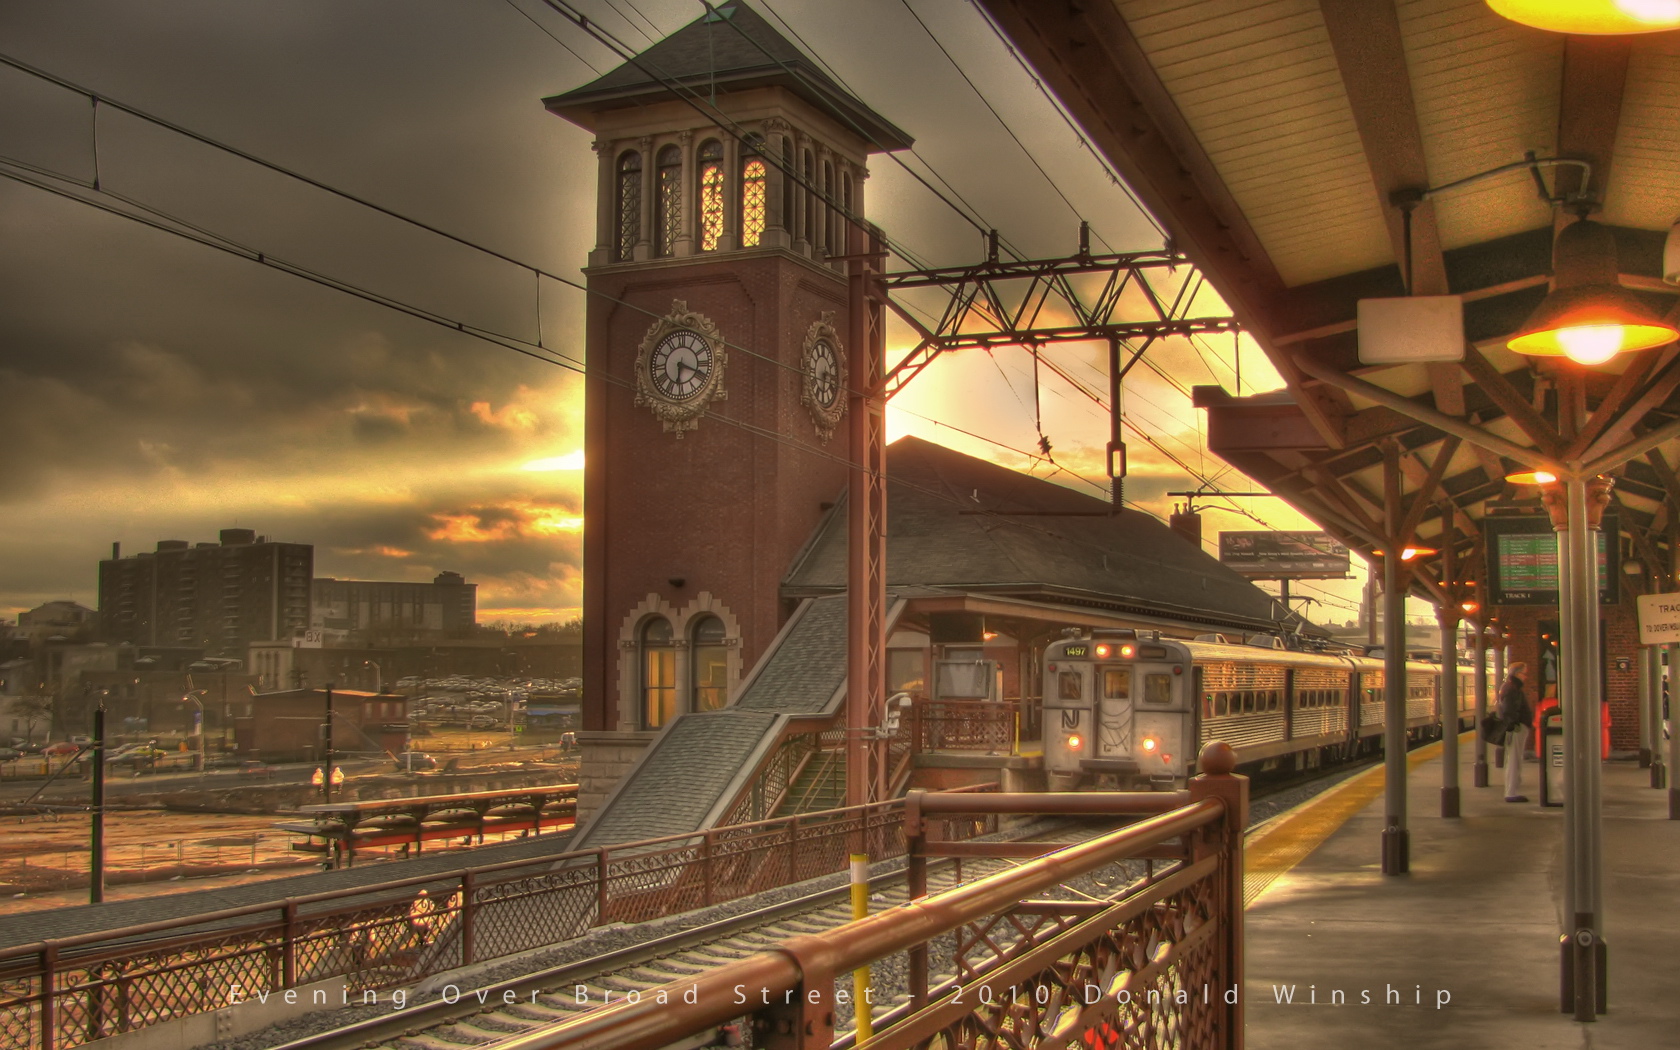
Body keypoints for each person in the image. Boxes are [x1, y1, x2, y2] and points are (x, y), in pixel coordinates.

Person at [1498, 661, 1535, 802]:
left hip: (1516, 727)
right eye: (1524, 673)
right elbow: (1509, 710)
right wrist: (1515, 725)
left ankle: (1512, 789)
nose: (1526, 677)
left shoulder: (1510, 687)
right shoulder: (1512, 688)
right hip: (1516, 728)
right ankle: (1511, 792)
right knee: (1514, 760)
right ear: (1517, 674)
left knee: (1514, 759)